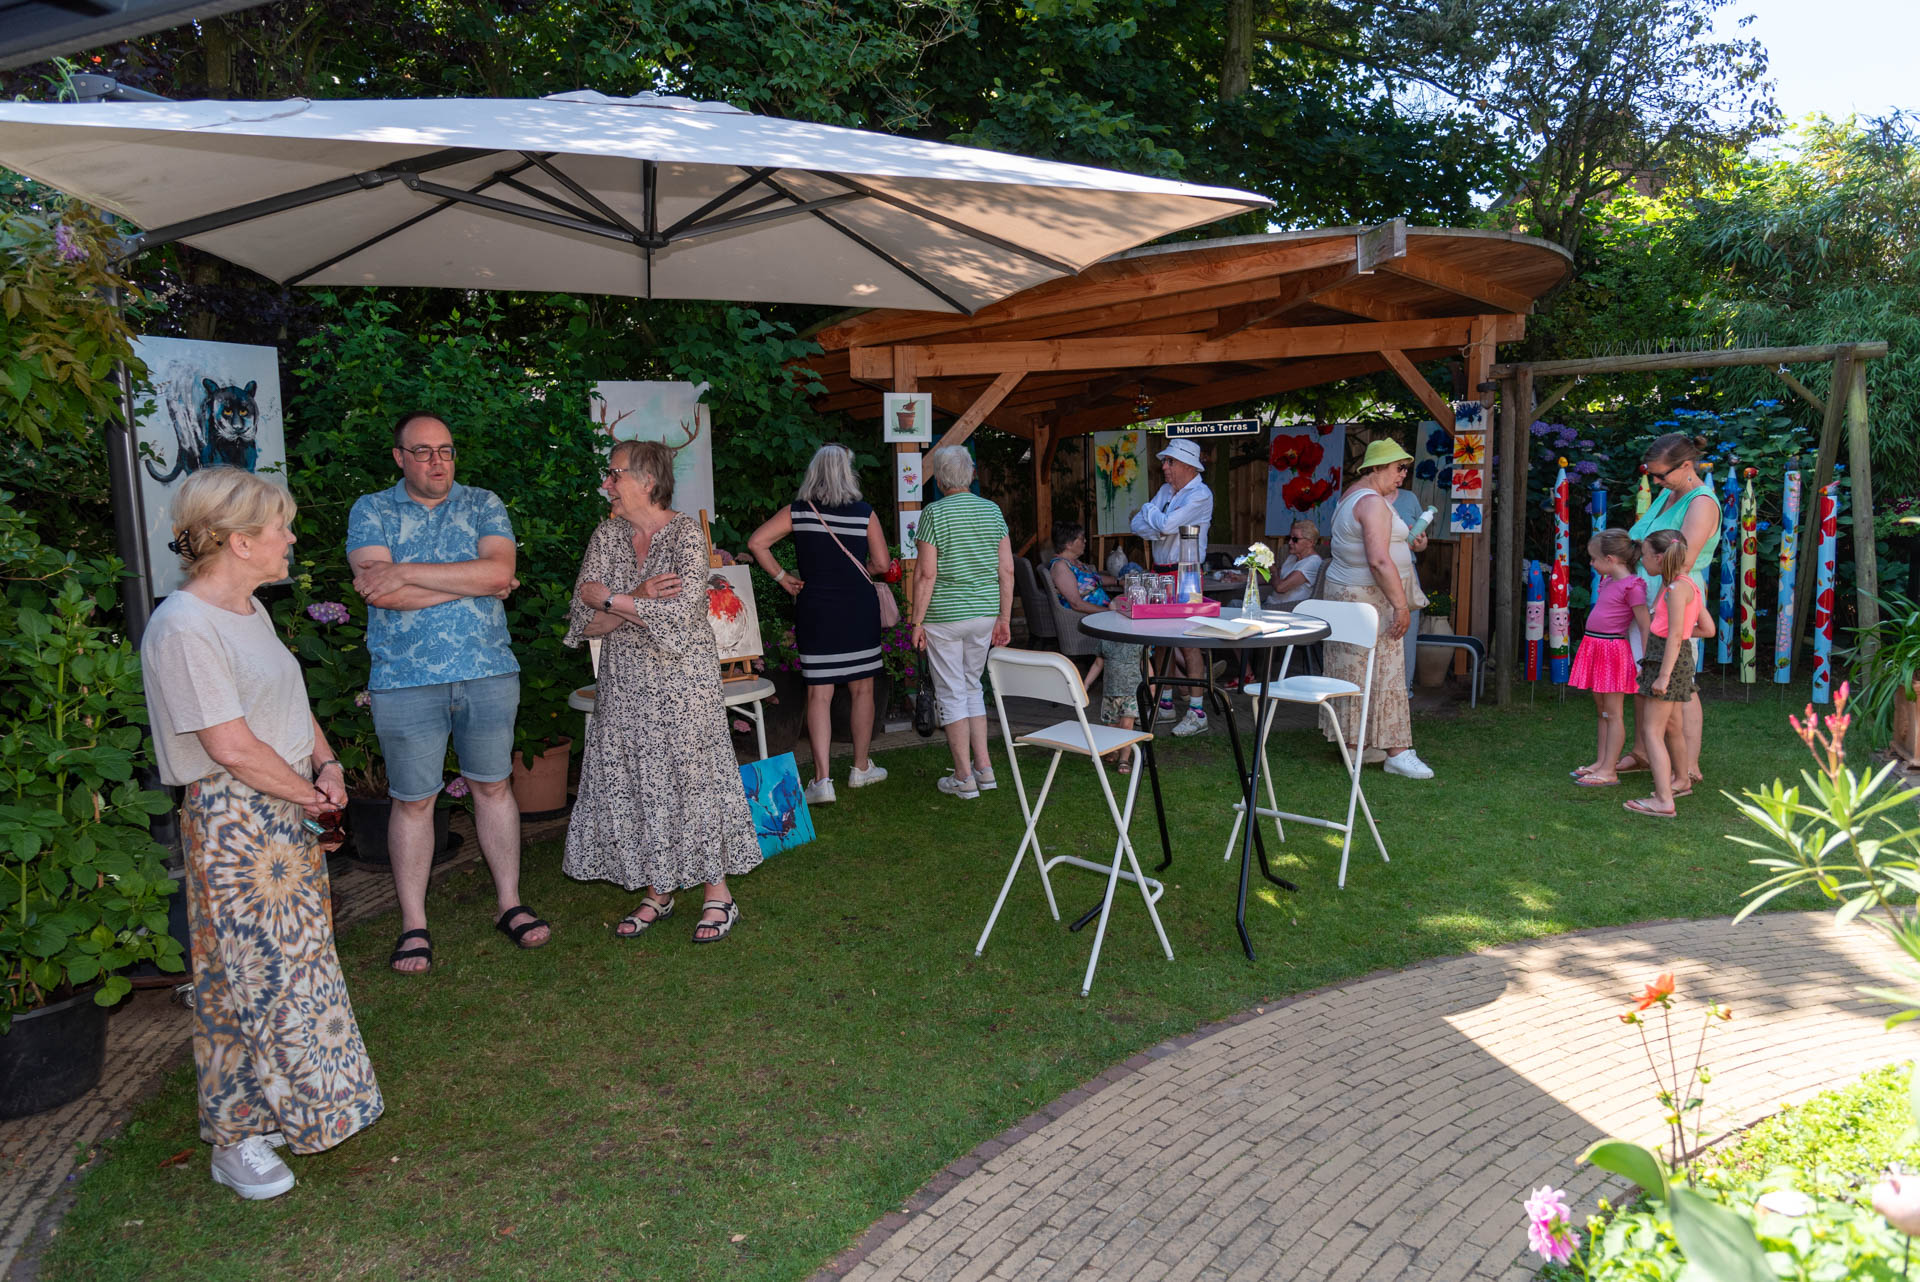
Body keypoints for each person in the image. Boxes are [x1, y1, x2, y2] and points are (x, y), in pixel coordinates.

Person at [140, 467, 381, 1200]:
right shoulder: (184, 627)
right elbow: (231, 747)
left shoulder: (248, 610)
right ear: (241, 542)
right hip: (236, 821)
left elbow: (289, 703)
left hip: (282, 808)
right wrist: (315, 800)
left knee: (270, 976)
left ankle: (254, 1117)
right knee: (259, 981)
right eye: (281, 527)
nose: (292, 538)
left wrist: (327, 765)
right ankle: (239, 1140)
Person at [347, 410, 548, 975]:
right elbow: (381, 594)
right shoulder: (371, 510)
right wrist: (474, 581)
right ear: (399, 457)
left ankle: (509, 904)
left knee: (494, 787)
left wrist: (408, 571)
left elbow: (499, 574)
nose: (437, 461)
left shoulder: (484, 503)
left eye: (445, 450)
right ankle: (414, 924)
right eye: (423, 451)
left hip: (487, 671)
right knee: (413, 801)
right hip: (404, 679)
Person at [563, 439, 762, 941]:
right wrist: (634, 598)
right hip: (624, 688)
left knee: (693, 781)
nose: (606, 483)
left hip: (683, 687)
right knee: (637, 782)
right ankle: (658, 891)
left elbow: (678, 617)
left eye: (615, 474)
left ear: (647, 481)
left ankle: (719, 895)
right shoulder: (606, 536)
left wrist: (611, 600)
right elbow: (583, 623)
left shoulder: (685, 535)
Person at [746, 443, 892, 805]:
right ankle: (860, 768)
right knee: (863, 689)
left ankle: (822, 780)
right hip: (858, 608)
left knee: (819, 693)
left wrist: (783, 577)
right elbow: (882, 563)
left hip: (816, 610)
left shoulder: (799, 511)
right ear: (848, 474)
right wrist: (856, 571)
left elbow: (757, 542)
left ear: (814, 473)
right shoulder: (865, 513)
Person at [1321, 438, 1433, 779]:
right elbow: (1379, 560)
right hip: (1368, 600)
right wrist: (1401, 606)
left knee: (1353, 670)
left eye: (1405, 469)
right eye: (1399, 468)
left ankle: (1355, 745)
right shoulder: (1371, 503)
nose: (1403, 475)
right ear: (1378, 466)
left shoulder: (1351, 496)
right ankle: (1397, 752)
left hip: (1347, 597)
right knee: (1385, 671)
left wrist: (1413, 542)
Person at [1618, 432, 1721, 787]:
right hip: (1647, 600)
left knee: (1679, 682)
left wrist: (1658, 611)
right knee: (1645, 676)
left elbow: (1682, 562)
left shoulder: (1702, 503)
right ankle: (1644, 752)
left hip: (1672, 602)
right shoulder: (1668, 493)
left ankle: (1687, 766)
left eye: (1661, 474)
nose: (1656, 481)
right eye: (1653, 474)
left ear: (1687, 465)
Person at [910, 445, 1013, 799]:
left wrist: (916, 622)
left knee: (951, 692)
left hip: (945, 617)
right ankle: (985, 769)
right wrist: (1004, 617)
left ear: (939, 480)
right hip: (984, 614)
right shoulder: (992, 511)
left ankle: (964, 777)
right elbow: (1006, 569)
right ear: (970, 474)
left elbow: (926, 574)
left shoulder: (933, 513)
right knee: (972, 687)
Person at [1129, 436, 1214, 736]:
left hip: (1186, 574)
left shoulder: (1200, 494)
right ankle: (1164, 703)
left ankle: (1197, 711)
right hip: (1160, 572)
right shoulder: (1167, 490)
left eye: (1170, 461)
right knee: (1160, 640)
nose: (1164, 467)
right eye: (1165, 461)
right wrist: (1160, 526)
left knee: (1189, 641)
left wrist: (1151, 514)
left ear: (1188, 465)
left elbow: (1162, 525)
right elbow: (1137, 526)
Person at [1048, 520, 1145, 770]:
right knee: (1140, 631)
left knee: (1143, 616)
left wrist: (1121, 582)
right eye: (1081, 539)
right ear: (1069, 542)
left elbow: (1097, 581)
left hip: (1105, 615)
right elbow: (1076, 603)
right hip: (1088, 623)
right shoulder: (1060, 567)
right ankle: (1155, 682)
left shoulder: (1077, 564)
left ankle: (1165, 675)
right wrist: (1110, 612)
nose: (1084, 542)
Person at [1624, 530, 1701, 818]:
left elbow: (1676, 637)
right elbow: (1706, 628)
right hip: (1677, 661)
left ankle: (1664, 800)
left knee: (1651, 731)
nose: (1642, 562)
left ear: (1659, 557)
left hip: (1666, 663)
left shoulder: (1674, 590)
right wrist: (1676, 631)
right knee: (1672, 726)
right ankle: (1681, 780)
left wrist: (1664, 676)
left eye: (1644, 556)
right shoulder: (1688, 584)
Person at [1569, 530, 1651, 787]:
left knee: (1613, 713)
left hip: (1612, 652)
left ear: (1610, 559)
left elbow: (1644, 625)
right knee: (1602, 710)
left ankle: (1609, 770)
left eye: (1594, 559)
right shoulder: (1607, 582)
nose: (1592, 563)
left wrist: (1646, 661)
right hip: (1594, 646)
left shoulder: (1633, 586)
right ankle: (1601, 762)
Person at [1266, 519, 1323, 609]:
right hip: (1272, 604)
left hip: (1286, 609)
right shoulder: (1293, 557)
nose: (1290, 542)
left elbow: (1280, 588)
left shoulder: (1312, 562)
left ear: (1310, 542)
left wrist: (1273, 570)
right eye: (1289, 538)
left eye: (1295, 539)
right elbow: (1274, 576)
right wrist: (1245, 577)